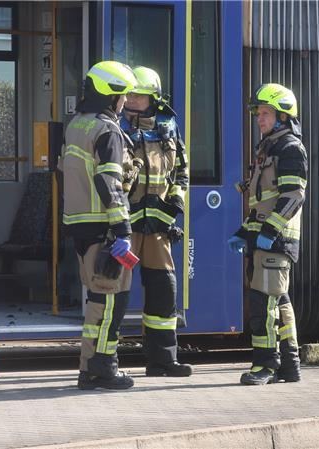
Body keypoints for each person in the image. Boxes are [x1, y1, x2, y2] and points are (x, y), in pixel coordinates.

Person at [60, 60, 138, 390]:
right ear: (112, 96)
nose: (125, 103)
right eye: (124, 97)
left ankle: (90, 369)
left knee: (97, 298)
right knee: (109, 299)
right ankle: (103, 366)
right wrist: (122, 228)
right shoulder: (107, 131)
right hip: (103, 227)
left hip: (79, 225)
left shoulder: (76, 124)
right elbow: (109, 181)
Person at [228, 83, 307, 385]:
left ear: (283, 117)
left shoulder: (289, 148)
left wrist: (270, 230)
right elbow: (260, 202)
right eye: (258, 113)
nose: (259, 119)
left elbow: (293, 195)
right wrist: (244, 232)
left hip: (276, 239)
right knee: (279, 301)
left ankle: (267, 365)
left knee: (265, 305)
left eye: (265, 113)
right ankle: (289, 365)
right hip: (263, 239)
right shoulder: (267, 148)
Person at [120, 66, 192, 377]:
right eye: (129, 94)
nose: (132, 98)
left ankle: (163, 360)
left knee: (164, 290)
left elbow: (181, 173)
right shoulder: (117, 126)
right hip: (124, 227)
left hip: (159, 228)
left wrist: (175, 203)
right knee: (116, 291)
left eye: (138, 94)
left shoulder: (169, 126)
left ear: (152, 97)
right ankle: (106, 363)